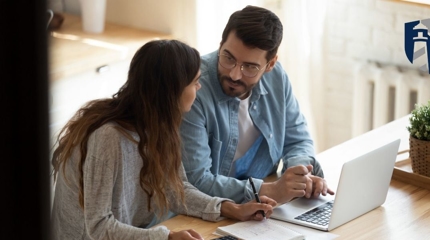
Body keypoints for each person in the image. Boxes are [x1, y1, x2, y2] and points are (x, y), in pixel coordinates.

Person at [50, 39, 276, 240]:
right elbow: (98, 228)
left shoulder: (160, 126)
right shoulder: (108, 137)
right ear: (172, 90)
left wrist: (230, 208)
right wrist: (166, 238)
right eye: (195, 81)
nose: (199, 87)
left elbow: (175, 189)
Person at [180, 5, 335, 204]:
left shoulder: (277, 77)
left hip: (263, 206)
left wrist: (299, 175)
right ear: (220, 45)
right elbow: (196, 181)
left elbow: (297, 140)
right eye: (228, 58)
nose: (234, 74)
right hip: (211, 209)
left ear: (270, 65)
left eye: (250, 67)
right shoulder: (194, 88)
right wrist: (269, 190)